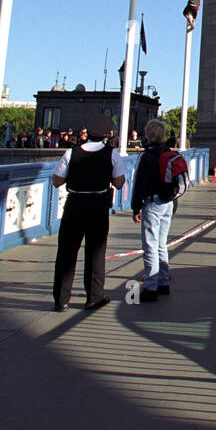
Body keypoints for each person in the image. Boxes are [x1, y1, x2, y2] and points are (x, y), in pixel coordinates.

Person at [51, 114, 126, 312]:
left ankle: (61, 299)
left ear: (88, 130)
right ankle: (93, 297)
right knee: (95, 252)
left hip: (74, 203)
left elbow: (56, 181)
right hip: (98, 204)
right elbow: (119, 184)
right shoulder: (112, 154)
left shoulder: (71, 152)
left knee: (66, 251)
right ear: (107, 134)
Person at [130, 119, 177, 302]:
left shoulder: (147, 156)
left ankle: (151, 287)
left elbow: (139, 185)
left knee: (150, 244)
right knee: (161, 244)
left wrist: (136, 208)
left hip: (153, 203)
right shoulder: (170, 153)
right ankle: (164, 283)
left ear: (148, 135)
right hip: (168, 203)